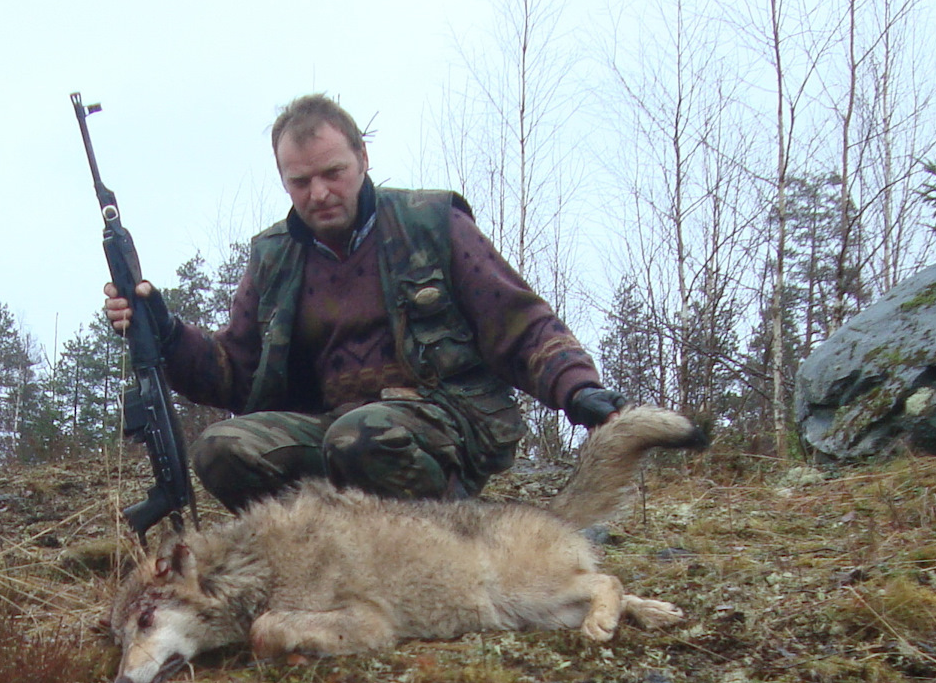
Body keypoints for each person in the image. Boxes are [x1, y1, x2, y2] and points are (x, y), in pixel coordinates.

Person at [104, 92, 628, 512]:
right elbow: (233, 373)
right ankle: (318, 555)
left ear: (363, 158)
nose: (319, 193)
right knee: (221, 449)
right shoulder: (273, 258)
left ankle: (448, 532)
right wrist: (167, 333)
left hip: (439, 425)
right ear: (283, 180)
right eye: (300, 181)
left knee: (361, 436)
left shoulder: (433, 224)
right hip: (332, 430)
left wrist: (578, 389)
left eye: (333, 172)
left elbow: (518, 323)